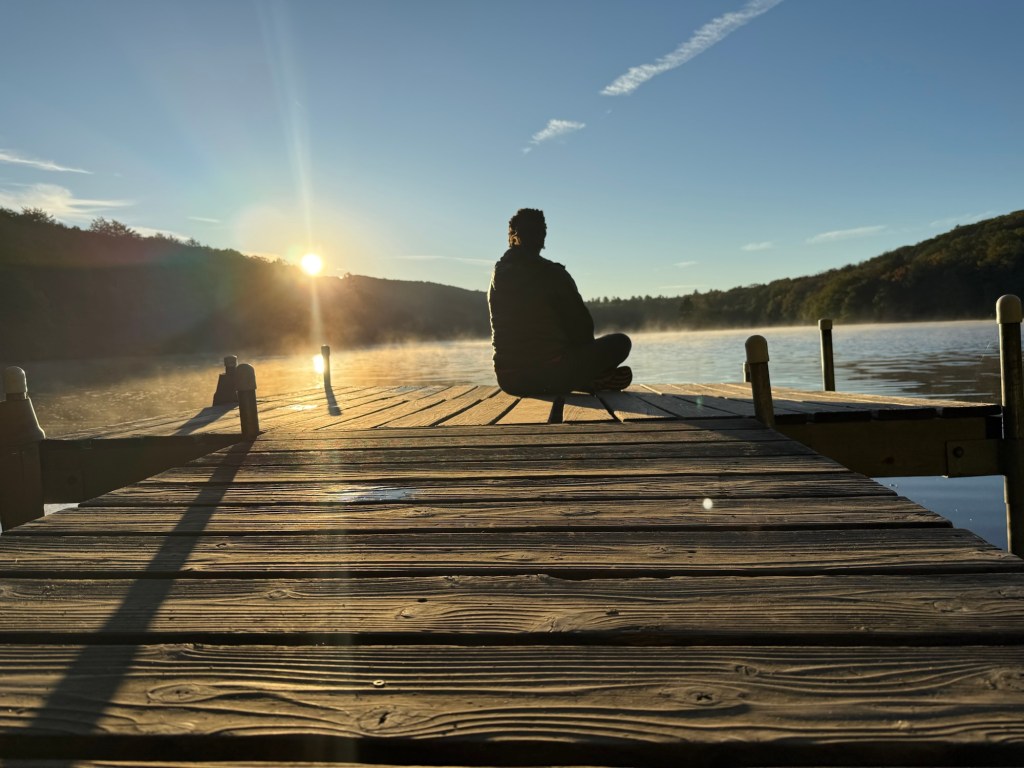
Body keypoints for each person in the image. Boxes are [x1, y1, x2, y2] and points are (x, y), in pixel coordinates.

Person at [487, 207, 632, 396]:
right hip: (552, 372)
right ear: (542, 236)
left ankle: (579, 380)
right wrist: (587, 363)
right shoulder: (553, 274)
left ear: (512, 237)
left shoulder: (496, 278)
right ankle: (586, 378)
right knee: (622, 343)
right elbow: (582, 329)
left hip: (509, 380)